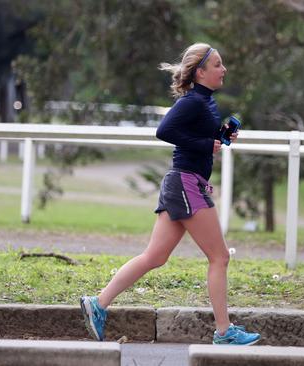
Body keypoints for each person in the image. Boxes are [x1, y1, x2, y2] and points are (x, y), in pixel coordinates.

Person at [80, 43, 261, 346]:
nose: (224, 69)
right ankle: (224, 331)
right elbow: (164, 130)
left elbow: (196, 137)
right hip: (186, 184)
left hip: (182, 183)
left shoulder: (205, 102)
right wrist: (205, 145)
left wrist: (220, 137)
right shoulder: (193, 101)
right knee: (219, 257)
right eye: (217, 65)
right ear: (200, 71)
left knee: (155, 256)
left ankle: (97, 304)